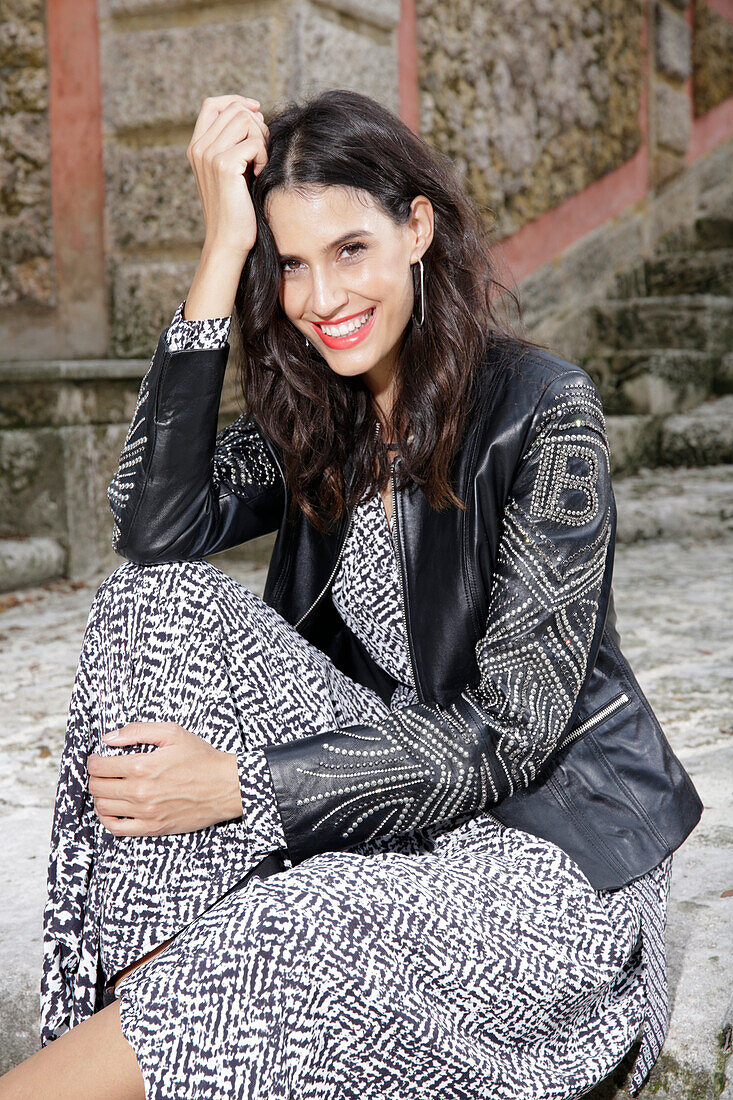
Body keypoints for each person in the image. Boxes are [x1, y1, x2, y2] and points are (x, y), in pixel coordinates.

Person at [1, 88, 701, 1100]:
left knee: (295, 921)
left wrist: (242, 785)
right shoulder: (321, 415)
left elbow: (510, 732)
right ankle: (176, 1047)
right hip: (381, 800)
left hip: (547, 846)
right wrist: (215, 251)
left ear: (416, 228)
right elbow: (154, 529)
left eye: (349, 250)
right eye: (289, 261)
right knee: (147, 605)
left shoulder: (546, 411)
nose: (320, 295)